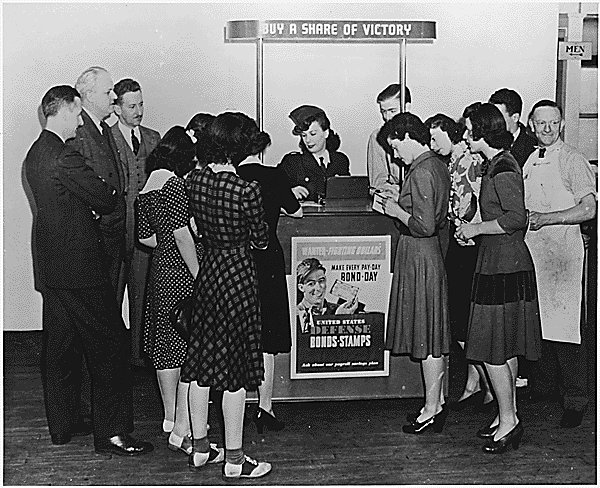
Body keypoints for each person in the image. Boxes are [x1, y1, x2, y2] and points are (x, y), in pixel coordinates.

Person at [25, 85, 152, 456]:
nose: (80, 121)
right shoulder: (63, 155)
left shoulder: (36, 152)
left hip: (53, 265)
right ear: (65, 110)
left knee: (61, 345)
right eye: (78, 114)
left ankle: (64, 425)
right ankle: (112, 433)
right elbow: (107, 198)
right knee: (111, 345)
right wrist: (100, 202)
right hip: (80, 266)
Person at [182, 112, 272, 479]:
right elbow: (261, 239)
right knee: (234, 371)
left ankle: (201, 449)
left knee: (202, 364)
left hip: (209, 274)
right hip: (237, 275)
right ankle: (235, 460)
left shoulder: (196, 182)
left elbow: (196, 229)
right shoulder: (246, 190)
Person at [456, 103, 542, 454]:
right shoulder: (496, 163)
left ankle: (509, 421)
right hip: (498, 260)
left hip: (504, 264)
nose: (464, 135)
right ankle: (507, 416)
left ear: (481, 132)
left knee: (493, 348)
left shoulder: (503, 167)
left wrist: (476, 228)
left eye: (467, 130)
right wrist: (473, 230)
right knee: (503, 347)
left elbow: (515, 218)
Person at [523, 100, 597, 428]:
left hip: (563, 254)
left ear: (562, 124)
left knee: (566, 328)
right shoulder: (529, 158)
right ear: (531, 126)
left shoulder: (573, 160)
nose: (547, 130)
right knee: (540, 325)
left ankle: (576, 400)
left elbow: (589, 209)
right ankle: (544, 388)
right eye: (541, 124)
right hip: (535, 251)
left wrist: (547, 219)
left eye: (553, 123)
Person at [377, 113, 451, 435]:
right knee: (431, 333)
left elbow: (423, 225)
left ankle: (432, 408)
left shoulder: (420, 169)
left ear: (407, 136)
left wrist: (395, 210)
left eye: (395, 147)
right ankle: (437, 402)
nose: (395, 155)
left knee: (428, 336)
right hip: (428, 255)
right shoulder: (435, 164)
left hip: (419, 254)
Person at [137, 126, 202, 452]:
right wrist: (198, 272)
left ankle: (168, 415)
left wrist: (168, 240)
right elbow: (182, 236)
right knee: (185, 339)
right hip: (180, 269)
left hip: (159, 269)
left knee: (165, 341)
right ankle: (182, 421)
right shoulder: (175, 185)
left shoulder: (148, 185)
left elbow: (145, 238)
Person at [425, 110, 494, 412]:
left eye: (434, 137)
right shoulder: (451, 161)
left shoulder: (469, 161)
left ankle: (487, 384)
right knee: (460, 318)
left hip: (470, 243)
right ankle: (478, 382)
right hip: (460, 241)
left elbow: (471, 205)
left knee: (462, 318)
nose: (431, 143)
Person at [236, 122, 303, 434]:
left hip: (237, 259)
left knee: (238, 330)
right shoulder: (274, 175)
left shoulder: (229, 177)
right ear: (260, 148)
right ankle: (265, 406)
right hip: (268, 258)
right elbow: (297, 211)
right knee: (269, 333)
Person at [111, 78, 161, 362]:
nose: (138, 110)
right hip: (116, 231)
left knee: (143, 296)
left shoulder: (154, 138)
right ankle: (111, 358)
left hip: (146, 232)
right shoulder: (107, 138)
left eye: (141, 104)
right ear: (117, 108)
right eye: (131, 105)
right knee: (111, 297)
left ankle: (139, 356)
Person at [68, 67, 126, 296]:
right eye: (108, 91)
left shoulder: (103, 128)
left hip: (112, 233)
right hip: (98, 236)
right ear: (89, 96)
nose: (114, 97)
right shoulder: (78, 130)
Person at [278, 105, 350, 203]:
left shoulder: (340, 160)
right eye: (304, 135)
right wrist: (288, 193)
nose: (307, 140)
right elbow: (272, 189)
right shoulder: (293, 162)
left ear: (326, 133)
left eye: (312, 134)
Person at [367, 84, 412, 198]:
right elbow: (377, 182)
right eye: (383, 111)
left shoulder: (423, 133)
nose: (387, 117)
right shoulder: (377, 137)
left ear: (407, 107)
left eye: (392, 111)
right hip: (393, 198)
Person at [295, 258, 359, 334]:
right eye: (311, 284)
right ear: (301, 288)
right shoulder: (295, 313)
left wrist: (344, 318)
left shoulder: (340, 310)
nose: (318, 288)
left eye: (321, 281)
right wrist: (338, 319)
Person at [489, 88, 537, 168]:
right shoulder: (484, 141)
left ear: (515, 117)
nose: (493, 120)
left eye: (498, 116)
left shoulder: (532, 148)